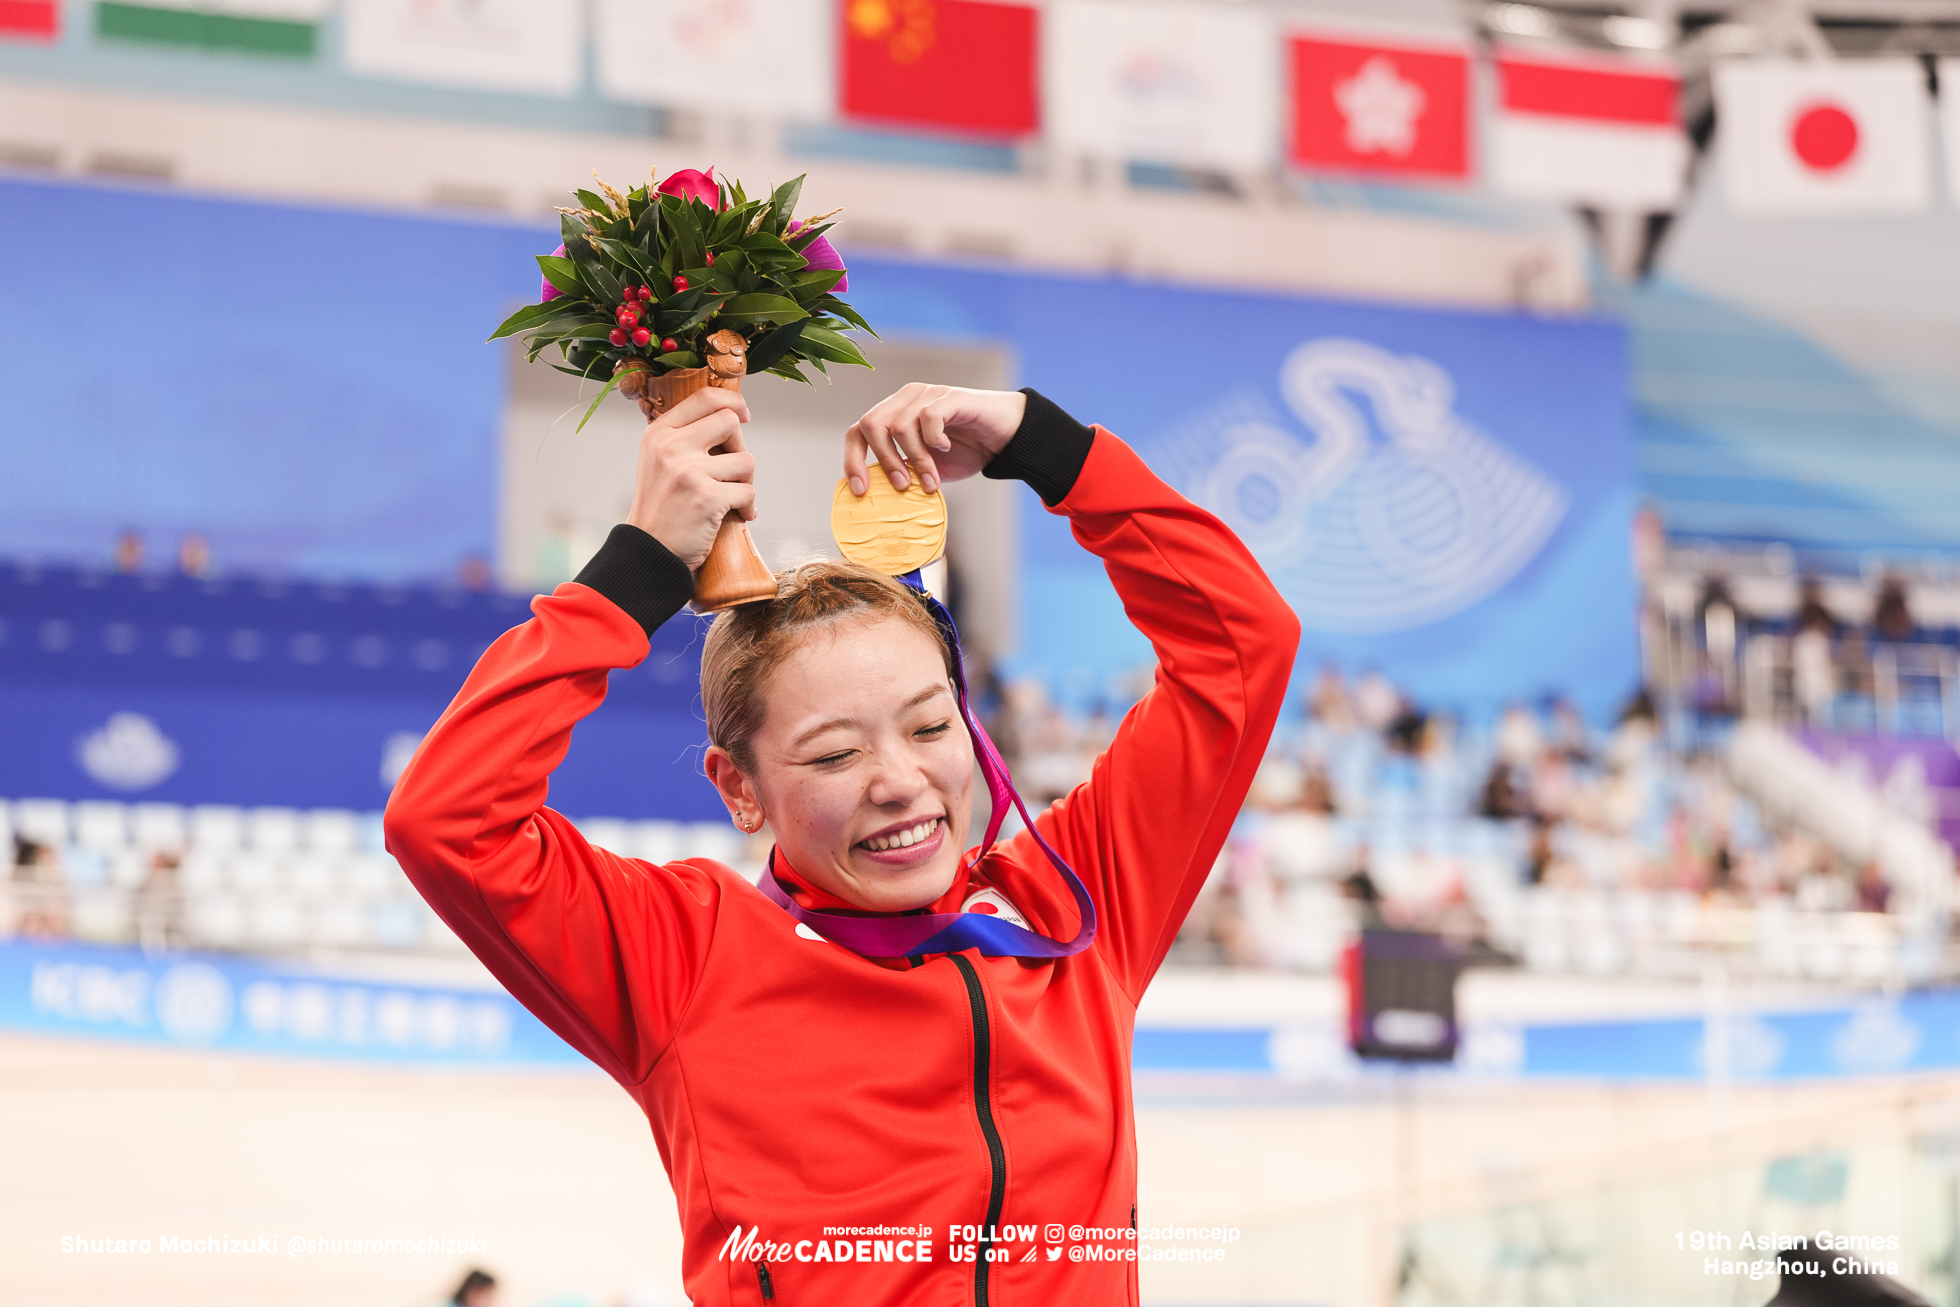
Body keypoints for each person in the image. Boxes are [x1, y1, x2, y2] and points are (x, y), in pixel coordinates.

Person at [385, 384, 1299, 1306]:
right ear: (740, 788)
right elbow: (447, 821)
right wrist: (644, 564)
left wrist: (1043, 444)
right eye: (834, 752)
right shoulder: (683, 957)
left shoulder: (1075, 902)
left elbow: (1241, 647)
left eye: (930, 726)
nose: (899, 778)